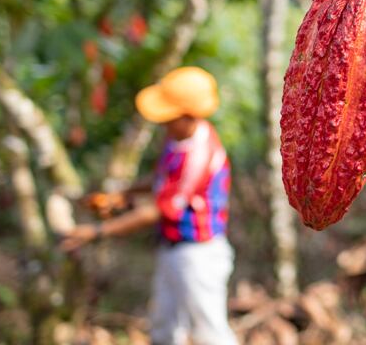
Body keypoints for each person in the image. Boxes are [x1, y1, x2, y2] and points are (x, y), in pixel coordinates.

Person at [60, 66, 237, 345]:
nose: (163, 123)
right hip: (172, 247)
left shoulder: (200, 155)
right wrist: (121, 194)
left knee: (209, 333)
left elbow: (155, 210)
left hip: (198, 254)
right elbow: (161, 179)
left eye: (170, 117)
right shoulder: (179, 139)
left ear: (188, 116)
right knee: (164, 329)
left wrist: (96, 232)